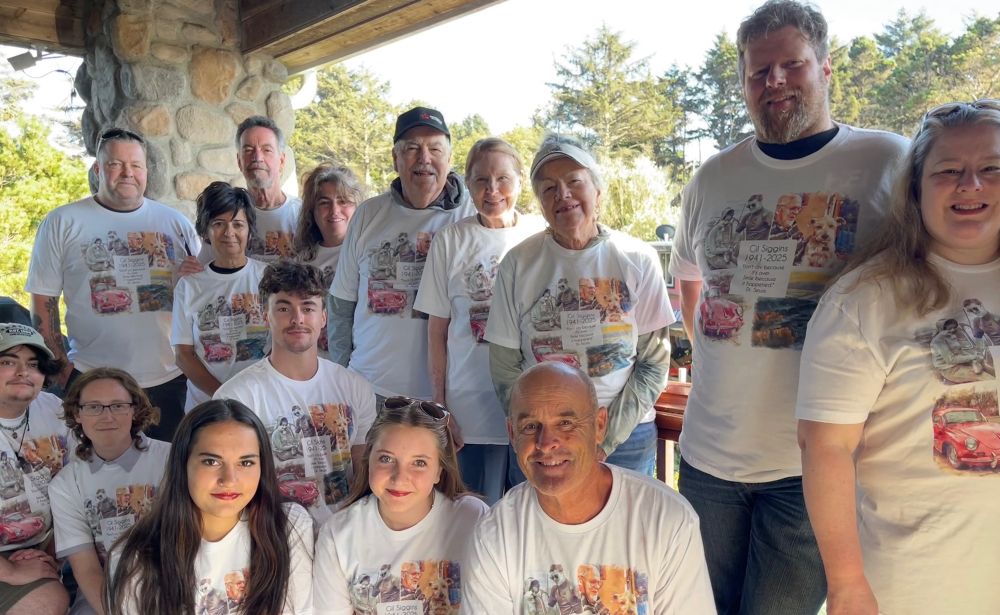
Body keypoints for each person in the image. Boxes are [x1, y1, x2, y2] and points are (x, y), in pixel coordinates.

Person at [666, 2, 910, 611]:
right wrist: (723, 355)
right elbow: (690, 282)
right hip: (707, 458)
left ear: (825, 68)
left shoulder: (889, 161)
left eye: (791, 65)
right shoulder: (713, 178)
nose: (774, 81)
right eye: (758, 71)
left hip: (813, 466)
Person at [797, 100, 1000, 615]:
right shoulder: (863, 299)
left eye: (992, 168)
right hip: (915, 587)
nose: (971, 184)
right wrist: (846, 584)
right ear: (915, 189)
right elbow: (825, 446)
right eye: (948, 171)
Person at [485, 135, 673, 480]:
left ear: (597, 192)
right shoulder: (518, 263)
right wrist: (539, 433)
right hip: (543, 443)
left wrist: (604, 439)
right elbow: (504, 369)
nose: (563, 194)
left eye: (574, 181)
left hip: (625, 440)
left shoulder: (638, 258)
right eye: (549, 188)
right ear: (540, 203)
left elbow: (653, 364)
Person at [462, 362, 715, 613]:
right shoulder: (494, 534)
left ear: (599, 426)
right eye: (530, 426)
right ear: (512, 434)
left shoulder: (668, 520)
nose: (546, 443)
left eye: (565, 423)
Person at [26, 127, 202, 441]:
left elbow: (201, 292)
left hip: (169, 380)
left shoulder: (175, 223)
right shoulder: (63, 222)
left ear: (146, 170)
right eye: (115, 164)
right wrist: (63, 372)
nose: (127, 173)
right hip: (92, 379)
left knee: (169, 467)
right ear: (98, 169)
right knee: (95, 467)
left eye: (135, 165)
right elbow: (43, 302)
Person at [414, 138, 545, 502]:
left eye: (503, 179)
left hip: (533, 407)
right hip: (470, 411)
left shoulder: (541, 235)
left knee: (531, 516)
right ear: (468, 184)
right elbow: (436, 332)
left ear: (519, 181)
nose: (492, 190)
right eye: (481, 180)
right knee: (476, 514)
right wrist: (441, 407)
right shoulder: (451, 240)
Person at [107, 399, 313, 615]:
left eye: (246, 463)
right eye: (211, 462)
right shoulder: (135, 557)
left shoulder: (289, 525)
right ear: (183, 464)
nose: (229, 480)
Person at [328, 106, 475, 403]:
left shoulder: (473, 216)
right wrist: (343, 378)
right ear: (395, 159)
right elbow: (341, 306)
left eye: (435, 149)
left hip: (449, 398)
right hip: (370, 391)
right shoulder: (368, 214)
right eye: (412, 148)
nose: (424, 158)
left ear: (449, 159)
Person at [214, 261, 376, 524]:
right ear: (265, 316)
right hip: (273, 533)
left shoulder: (356, 388)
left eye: (308, 308)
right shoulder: (236, 397)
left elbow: (362, 470)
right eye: (283, 308)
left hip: (342, 532)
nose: (297, 319)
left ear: (323, 317)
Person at [313, 396, 488, 614]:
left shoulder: (472, 518)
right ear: (368, 460)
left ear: (439, 471)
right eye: (386, 459)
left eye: (419, 463)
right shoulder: (338, 534)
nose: (399, 478)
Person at [49, 368, 170, 615]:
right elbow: (87, 569)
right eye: (94, 407)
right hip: (107, 587)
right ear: (77, 414)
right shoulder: (65, 484)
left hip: (172, 579)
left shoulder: (173, 459)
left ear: (134, 410)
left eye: (118, 406)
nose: (107, 416)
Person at [172, 182, 269, 411]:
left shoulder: (269, 278)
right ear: (205, 231)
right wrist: (225, 396)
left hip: (262, 401)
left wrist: (251, 394)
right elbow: (183, 355)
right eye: (218, 224)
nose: (229, 233)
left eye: (238, 224)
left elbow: (281, 345)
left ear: (249, 230)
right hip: (206, 406)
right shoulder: (189, 286)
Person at [0, 324, 70, 614]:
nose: (23, 373)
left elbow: (75, 485)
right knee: (44, 602)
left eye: (33, 364)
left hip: (40, 544)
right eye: (8, 362)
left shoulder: (54, 411)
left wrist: (51, 554)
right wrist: (10, 571)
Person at [199, 116, 302, 264]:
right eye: (248, 150)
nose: (257, 157)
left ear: (281, 161)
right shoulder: (225, 214)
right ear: (239, 161)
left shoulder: (302, 214)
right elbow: (206, 267)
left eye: (267, 150)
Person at [293, 163, 365, 360]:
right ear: (312, 211)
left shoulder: (368, 256)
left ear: (358, 207)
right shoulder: (300, 264)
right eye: (324, 203)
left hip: (360, 364)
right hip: (314, 366)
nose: (335, 210)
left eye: (343, 201)